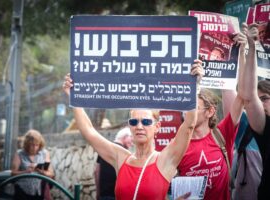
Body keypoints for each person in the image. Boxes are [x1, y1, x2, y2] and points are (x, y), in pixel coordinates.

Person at [62, 59, 203, 200]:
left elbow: (189, 125)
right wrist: (74, 96)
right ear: (129, 126)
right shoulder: (120, 157)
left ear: (157, 127)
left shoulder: (166, 159)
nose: (139, 126)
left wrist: (194, 87)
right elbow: (88, 131)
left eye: (146, 122)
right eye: (134, 121)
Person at [176, 32, 248, 200]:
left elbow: (243, 95)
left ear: (210, 112)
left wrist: (243, 53)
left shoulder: (222, 134)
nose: (188, 112)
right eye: (186, 108)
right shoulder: (178, 144)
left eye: (194, 107)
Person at [238, 22, 270, 200]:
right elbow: (248, 96)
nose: (261, 104)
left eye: (264, 98)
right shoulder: (265, 126)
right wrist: (250, 48)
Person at [11, 129, 55, 200]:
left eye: (37, 145)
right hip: (22, 191)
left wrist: (41, 171)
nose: (34, 148)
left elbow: (51, 174)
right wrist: (25, 172)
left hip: (39, 191)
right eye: (32, 145)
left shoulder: (44, 153)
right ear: (27, 144)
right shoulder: (20, 154)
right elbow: (13, 173)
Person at [94, 127, 133, 200]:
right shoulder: (125, 153)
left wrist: (98, 193)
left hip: (103, 196)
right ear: (125, 137)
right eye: (131, 137)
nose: (132, 142)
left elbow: (96, 172)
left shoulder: (104, 149)